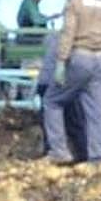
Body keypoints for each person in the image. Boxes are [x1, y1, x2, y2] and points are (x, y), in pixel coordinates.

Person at [41, 0, 101, 163]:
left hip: (81, 56)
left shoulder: (74, 1)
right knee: (99, 111)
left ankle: (59, 151)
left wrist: (61, 62)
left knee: (52, 101)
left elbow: (69, 32)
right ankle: (99, 157)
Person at [37, 31, 88, 161]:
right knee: (74, 120)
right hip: (62, 81)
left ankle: (53, 151)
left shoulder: (52, 37)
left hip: (47, 81)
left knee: (49, 119)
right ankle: (83, 153)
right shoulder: (78, 39)